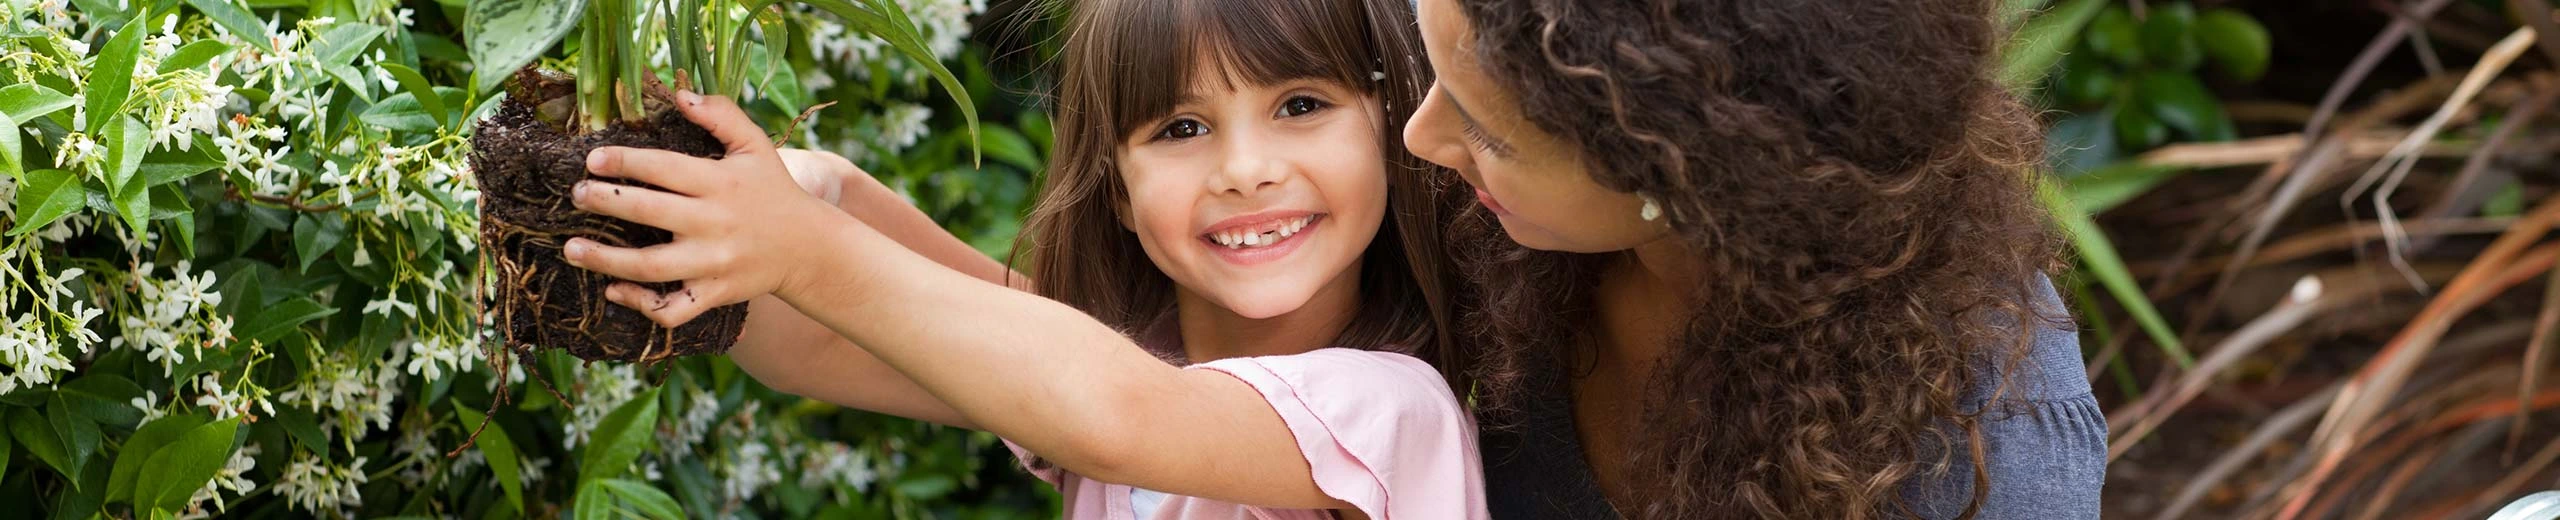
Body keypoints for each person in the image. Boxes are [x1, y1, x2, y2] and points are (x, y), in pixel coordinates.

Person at [557, 0, 1485, 518]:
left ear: (1393, 132)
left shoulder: (1398, 411)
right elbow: (811, 345)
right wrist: (816, 192)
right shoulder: (1122, 360)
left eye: (1301, 106)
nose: (1247, 171)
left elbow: (1116, 413)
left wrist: (806, 244)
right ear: (1117, 189)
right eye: (1183, 127)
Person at [1397, 0, 2107, 517]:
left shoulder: (1990, 449)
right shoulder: (1499, 220)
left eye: (1489, 134)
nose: (1418, 137)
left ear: (1686, 166)